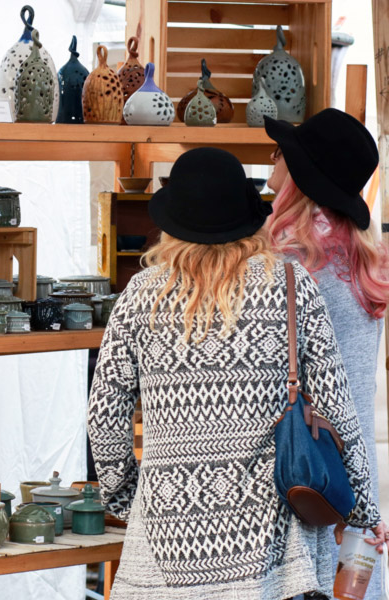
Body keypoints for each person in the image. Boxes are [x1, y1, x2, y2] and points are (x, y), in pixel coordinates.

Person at [87, 147, 386, 600]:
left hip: (163, 547)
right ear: (247, 217)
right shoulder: (289, 286)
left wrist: (132, 502)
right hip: (271, 550)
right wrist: (362, 511)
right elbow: (336, 410)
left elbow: (105, 419)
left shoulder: (139, 297)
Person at [265, 108, 389, 600]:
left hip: (303, 463)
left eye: (281, 153)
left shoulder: (286, 262)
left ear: (299, 175)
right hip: (354, 469)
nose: (273, 159)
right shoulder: (365, 261)